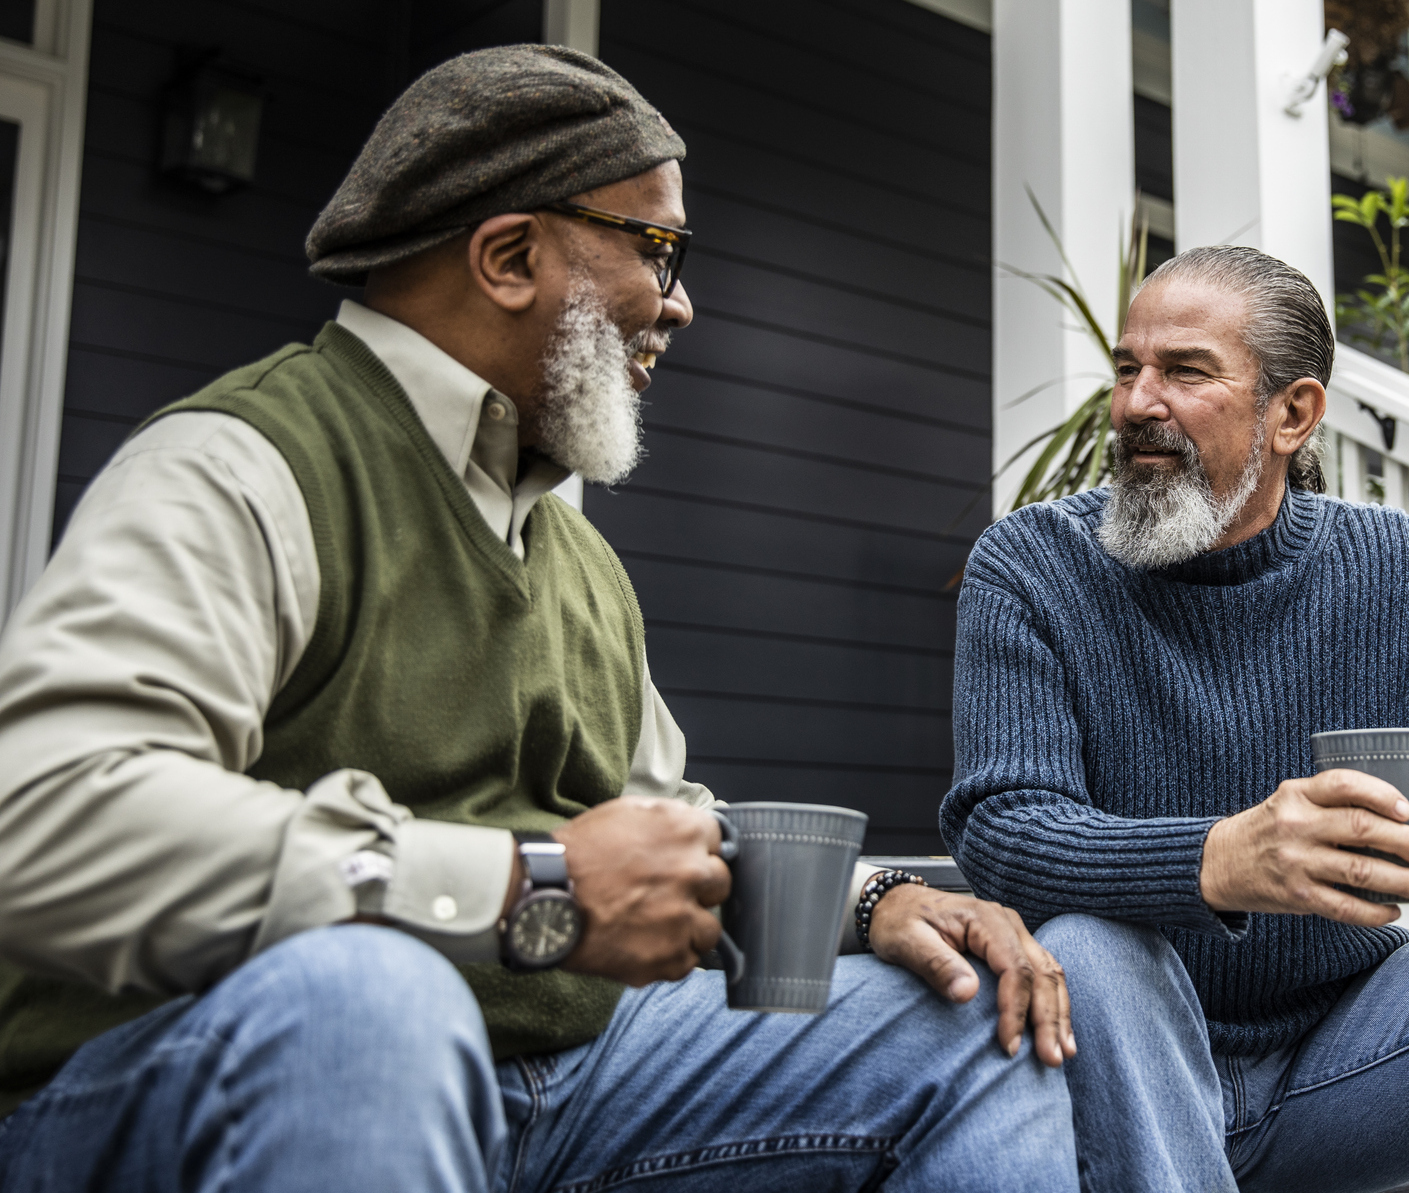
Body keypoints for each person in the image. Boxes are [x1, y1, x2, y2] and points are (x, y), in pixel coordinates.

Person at [0, 46, 1082, 1193]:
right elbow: (42, 815)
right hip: (177, 1084)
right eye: (657, 249)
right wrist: (532, 884)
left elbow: (671, 833)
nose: (681, 301)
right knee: (372, 996)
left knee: (970, 1024)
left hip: (562, 1076)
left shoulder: (577, 556)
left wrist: (881, 898)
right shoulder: (244, 466)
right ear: (511, 256)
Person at [947, 244, 1409, 1192]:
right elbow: (1001, 829)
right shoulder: (1030, 564)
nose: (1136, 403)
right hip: (1117, 1063)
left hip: (1349, 1064)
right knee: (1091, 949)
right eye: (1126, 368)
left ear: (1292, 414)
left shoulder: (1396, 567)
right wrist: (1222, 858)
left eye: (1184, 371)